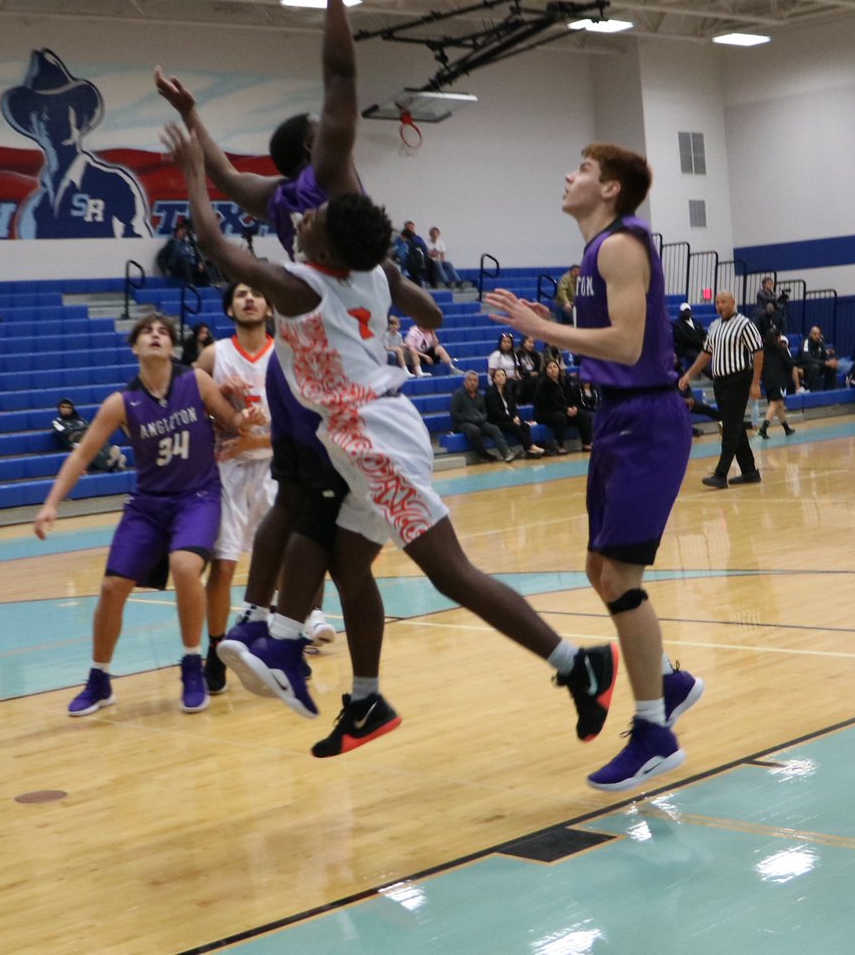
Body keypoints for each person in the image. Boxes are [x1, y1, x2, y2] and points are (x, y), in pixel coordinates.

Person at [171, 137, 620, 764]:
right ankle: (366, 699)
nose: (306, 217)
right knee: (348, 567)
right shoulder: (368, 271)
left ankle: (579, 666)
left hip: (374, 440)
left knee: (450, 572)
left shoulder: (304, 286)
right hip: (367, 433)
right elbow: (426, 305)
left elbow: (217, 247)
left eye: (316, 219)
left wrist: (194, 170)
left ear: (324, 249)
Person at [156, 0, 401, 750]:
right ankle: (280, 632)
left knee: (304, 507)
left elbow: (220, 183)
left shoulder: (297, 198)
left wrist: (193, 128)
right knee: (310, 511)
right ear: (316, 144)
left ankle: (273, 627)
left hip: (318, 367)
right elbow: (331, 77)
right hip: (326, 372)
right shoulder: (319, 186)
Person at [487, 142, 701, 793]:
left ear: (608, 188)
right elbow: (609, 338)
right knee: (596, 568)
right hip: (615, 418)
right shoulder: (591, 254)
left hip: (645, 420)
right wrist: (558, 321)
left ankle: (653, 730)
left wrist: (541, 330)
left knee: (620, 575)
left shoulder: (618, 246)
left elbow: (628, 343)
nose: (567, 174)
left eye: (580, 169)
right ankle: (665, 677)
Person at [33, 313, 257, 716]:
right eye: (147, 332)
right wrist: (51, 503)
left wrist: (247, 419)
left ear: (172, 347)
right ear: (135, 347)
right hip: (149, 504)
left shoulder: (196, 382)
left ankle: (192, 665)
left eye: (163, 333)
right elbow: (83, 454)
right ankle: (99, 679)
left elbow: (231, 419)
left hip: (198, 496)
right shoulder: (121, 402)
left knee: (185, 566)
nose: (156, 336)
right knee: (111, 587)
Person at [194, 281, 329, 698]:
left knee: (288, 564)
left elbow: (306, 423)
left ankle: (286, 644)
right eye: (240, 295)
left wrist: (258, 440)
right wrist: (223, 420)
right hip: (228, 471)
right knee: (224, 565)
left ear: (270, 307)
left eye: (256, 293)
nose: (249, 298)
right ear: (230, 308)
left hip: (277, 467)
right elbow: (193, 417)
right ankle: (215, 651)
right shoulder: (214, 355)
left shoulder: (286, 354)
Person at [1, 48, 152, 239]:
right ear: (33, 126)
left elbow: (138, 242)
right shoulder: (36, 207)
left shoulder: (113, 184)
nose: (49, 117)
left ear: (78, 116)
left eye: (60, 108)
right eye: (40, 111)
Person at [679, 291, 763, 489]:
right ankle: (750, 471)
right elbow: (706, 354)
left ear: (733, 302)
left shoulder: (745, 324)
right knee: (735, 425)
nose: (719, 305)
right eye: (717, 302)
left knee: (731, 427)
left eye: (723, 302)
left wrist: (755, 382)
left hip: (739, 380)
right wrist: (689, 374)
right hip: (720, 381)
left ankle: (721, 473)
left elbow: (758, 353)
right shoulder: (715, 326)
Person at [450, 369, 512, 462]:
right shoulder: (458, 395)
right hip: (462, 424)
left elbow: (485, 412)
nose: (472, 383)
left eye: (475, 380)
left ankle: (506, 453)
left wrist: (480, 418)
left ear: (478, 383)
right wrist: (469, 419)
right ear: (465, 382)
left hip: (479, 422)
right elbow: (454, 413)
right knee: (474, 430)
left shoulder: (480, 395)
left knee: (493, 428)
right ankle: (483, 455)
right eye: (470, 380)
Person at [532, 359, 592, 455]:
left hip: (563, 410)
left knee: (583, 415)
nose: (553, 369)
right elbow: (549, 403)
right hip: (544, 412)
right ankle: (560, 446)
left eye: (555, 367)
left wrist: (574, 407)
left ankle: (586, 443)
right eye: (550, 367)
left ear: (559, 369)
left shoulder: (564, 382)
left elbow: (573, 397)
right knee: (560, 417)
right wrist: (566, 409)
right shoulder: (542, 384)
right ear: (546, 370)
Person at [51, 398, 127, 472]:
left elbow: (89, 427)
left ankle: (111, 458)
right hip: (74, 443)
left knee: (99, 438)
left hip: (86, 437)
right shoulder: (57, 421)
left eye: (68, 407)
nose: (65, 409)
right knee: (88, 447)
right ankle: (111, 463)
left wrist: (78, 430)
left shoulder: (79, 419)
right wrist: (80, 430)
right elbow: (66, 432)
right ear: (59, 408)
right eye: (63, 407)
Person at [486, 368, 546, 458]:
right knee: (514, 426)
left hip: (510, 418)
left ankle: (528, 451)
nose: (501, 377)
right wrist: (512, 419)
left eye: (503, 375)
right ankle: (531, 446)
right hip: (497, 420)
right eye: (498, 375)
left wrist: (516, 416)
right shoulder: (490, 393)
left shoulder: (508, 391)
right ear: (494, 379)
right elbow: (496, 412)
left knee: (525, 426)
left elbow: (514, 408)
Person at [758, 331, 796, 438]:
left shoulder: (763, 351)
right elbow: (790, 364)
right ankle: (763, 428)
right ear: (777, 338)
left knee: (779, 405)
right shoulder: (782, 350)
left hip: (767, 381)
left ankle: (786, 428)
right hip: (779, 381)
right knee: (775, 404)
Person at [158, 220, 210, 287]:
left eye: (184, 231)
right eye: (181, 231)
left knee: (207, 262)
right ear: (177, 232)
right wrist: (165, 269)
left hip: (190, 267)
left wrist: (200, 262)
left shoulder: (189, 244)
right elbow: (161, 257)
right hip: (177, 267)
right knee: (185, 259)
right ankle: (190, 284)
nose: (183, 233)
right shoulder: (172, 244)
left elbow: (196, 254)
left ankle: (209, 285)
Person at [796, 325, 838, 392]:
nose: (816, 336)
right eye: (814, 334)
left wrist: (831, 362)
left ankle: (829, 391)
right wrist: (825, 363)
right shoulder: (806, 343)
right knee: (815, 367)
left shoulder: (820, 343)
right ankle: (807, 389)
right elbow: (807, 359)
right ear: (810, 334)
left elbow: (824, 357)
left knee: (831, 366)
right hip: (803, 365)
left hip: (816, 365)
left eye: (818, 334)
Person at [672, 302, 707, 367]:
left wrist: (704, 339)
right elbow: (682, 339)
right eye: (685, 311)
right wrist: (698, 341)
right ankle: (711, 375)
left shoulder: (695, 322)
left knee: (708, 352)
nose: (687, 312)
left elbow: (702, 332)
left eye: (688, 310)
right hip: (686, 349)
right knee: (699, 358)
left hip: (698, 346)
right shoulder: (677, 324)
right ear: (681, 312)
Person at [514, 335, 545, 403]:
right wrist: (528, 374)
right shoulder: (517, 354)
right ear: (523, 343)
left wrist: (536, 373)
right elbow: (517, 370)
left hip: (534, 377)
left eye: (533, 343)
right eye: (529, 342)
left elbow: (538, 370)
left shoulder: (536, 355)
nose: (532, 345)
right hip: (522, 377)